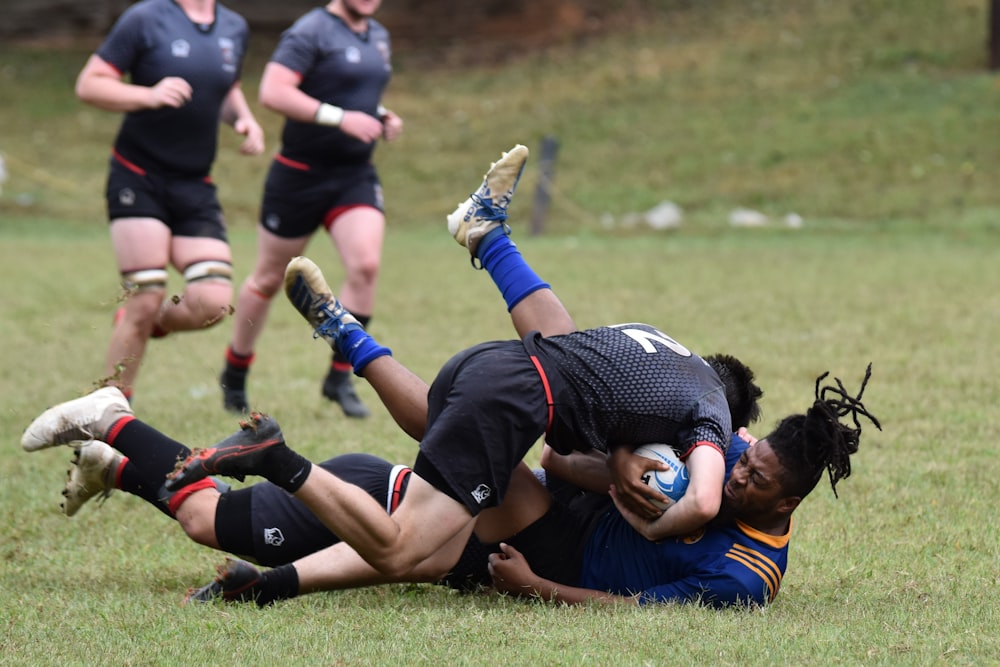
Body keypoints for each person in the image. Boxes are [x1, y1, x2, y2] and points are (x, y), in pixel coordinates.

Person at [162, 144, 776, 597]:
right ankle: (279, 464)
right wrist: (630, 497)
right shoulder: (694, 420)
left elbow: (559, 444)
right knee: (414, 553)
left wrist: (616, 467)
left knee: (442, 425)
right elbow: (680, 499)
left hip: (491, 374)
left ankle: (360, 320)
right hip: (512, 419)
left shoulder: (653, 374)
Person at [219, 0, 403, 418]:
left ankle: (340, 376)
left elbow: (352, 91)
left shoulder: (377, 34)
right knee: (267, 278)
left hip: (355, 175)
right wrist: (340, 118)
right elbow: (273, 92)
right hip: (299, 176)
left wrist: (380, 115)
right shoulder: (310, 31)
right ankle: (236, 368)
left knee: (365, 267)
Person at [74, 0, 265, 400]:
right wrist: (149, 94)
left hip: (195, 184)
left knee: (212, 303)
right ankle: (108, 422)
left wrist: (242, 118)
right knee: (146, 295)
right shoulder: (146, 18)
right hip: (138, 177)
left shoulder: (234, 26)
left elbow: (226, 84)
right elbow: (89, 84)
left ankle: (146, 322)